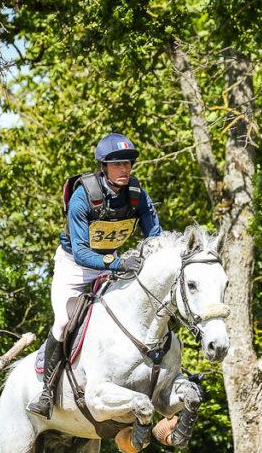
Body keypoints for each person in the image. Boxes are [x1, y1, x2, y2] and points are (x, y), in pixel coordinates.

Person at [27, 132, 163, 418]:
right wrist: (116, 263)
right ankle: (47, 392)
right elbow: (82, 254)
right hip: (75, 267)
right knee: (64, 321)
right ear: (104, 167)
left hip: (114, 264)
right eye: (117, 164)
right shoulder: (83, 198)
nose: (124, 169)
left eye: (127, 163)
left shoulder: (137, 196)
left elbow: (155, 238)